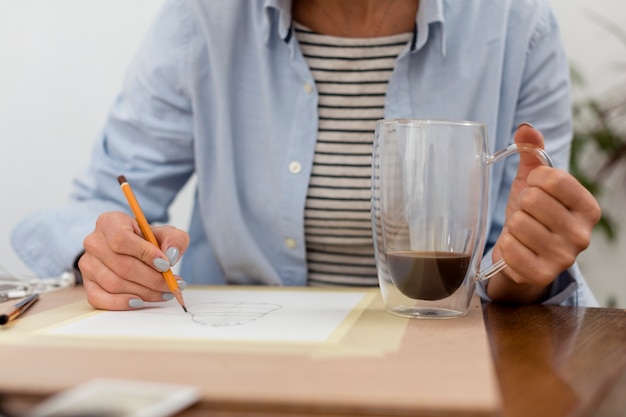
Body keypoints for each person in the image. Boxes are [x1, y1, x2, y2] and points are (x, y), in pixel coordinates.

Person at [11, 0, 601, 311]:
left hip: (442, 358)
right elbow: (95, 202)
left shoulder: (519, 25)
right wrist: (105, 252)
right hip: (244, 370)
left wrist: (529, 266)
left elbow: (518, 264)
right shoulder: (203, 18)